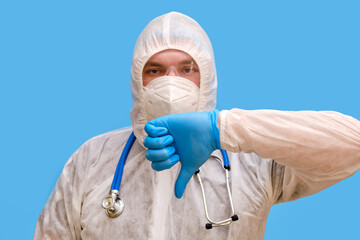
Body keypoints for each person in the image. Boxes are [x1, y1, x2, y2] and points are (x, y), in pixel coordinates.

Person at [34, 12, 360, 240]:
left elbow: (352, 143)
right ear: (137, 81)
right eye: (155, 70)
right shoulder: (93, 158)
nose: (171, 83)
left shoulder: (252, 158)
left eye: (187, 68)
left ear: (207, 78)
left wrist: (223, 128)